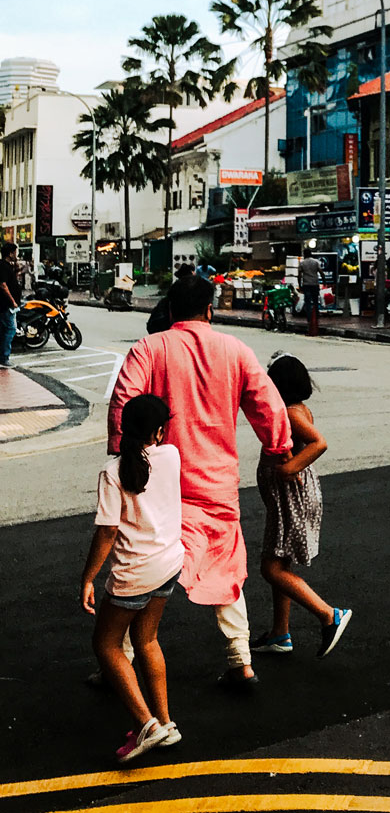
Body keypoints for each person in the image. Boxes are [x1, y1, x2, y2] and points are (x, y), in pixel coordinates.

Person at [107, 274, 292, 688]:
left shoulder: (149, 349)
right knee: (227, 569)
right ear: (210, 309)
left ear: (170, 310)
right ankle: (241, 660)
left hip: (158, 482)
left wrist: (124, 450)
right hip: (217, 482)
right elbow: (269, 404)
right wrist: (278, 448)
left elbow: (124, 400)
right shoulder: (236, 350)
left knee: (145, 565)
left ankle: (124, 658)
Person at [81, 394, 183, 763]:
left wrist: (88, 578)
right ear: (158, 432)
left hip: (134, 573)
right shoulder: (171, 456)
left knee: (106, 646)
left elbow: (106, 533)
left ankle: (147, 725)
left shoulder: (113, 472)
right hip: (170, 563)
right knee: (147, 640)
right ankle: (166, 722)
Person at [251, 354, 351, 658]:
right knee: (281, 563)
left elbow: (319, 443)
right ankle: (280, 634)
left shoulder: (293, 414)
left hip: (291, 498)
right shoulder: (294, 410)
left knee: (271, 568)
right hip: (287, 499)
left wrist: (287, 469)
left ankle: (328, 615)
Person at [0, 242, 20, 368]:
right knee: (10, 329)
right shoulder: (2, 266)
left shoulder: (8, 266)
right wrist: (12, 301)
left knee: (4, 330)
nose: (16, 255)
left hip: (6, 305)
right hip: (6, 305)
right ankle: (4, 357)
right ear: (10, 253)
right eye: (15, 252)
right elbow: (3, 284)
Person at [297, 248, 322, 323]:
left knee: (307, 302)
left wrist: (300, 285)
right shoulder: (316, 262)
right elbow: (321, 272)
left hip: (306, 284)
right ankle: (316, 316)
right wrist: (324, 281)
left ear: (304, 254)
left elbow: (299, 275)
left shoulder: (302, 263)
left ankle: (309, 318)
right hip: (315, 284)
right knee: (315, 301)